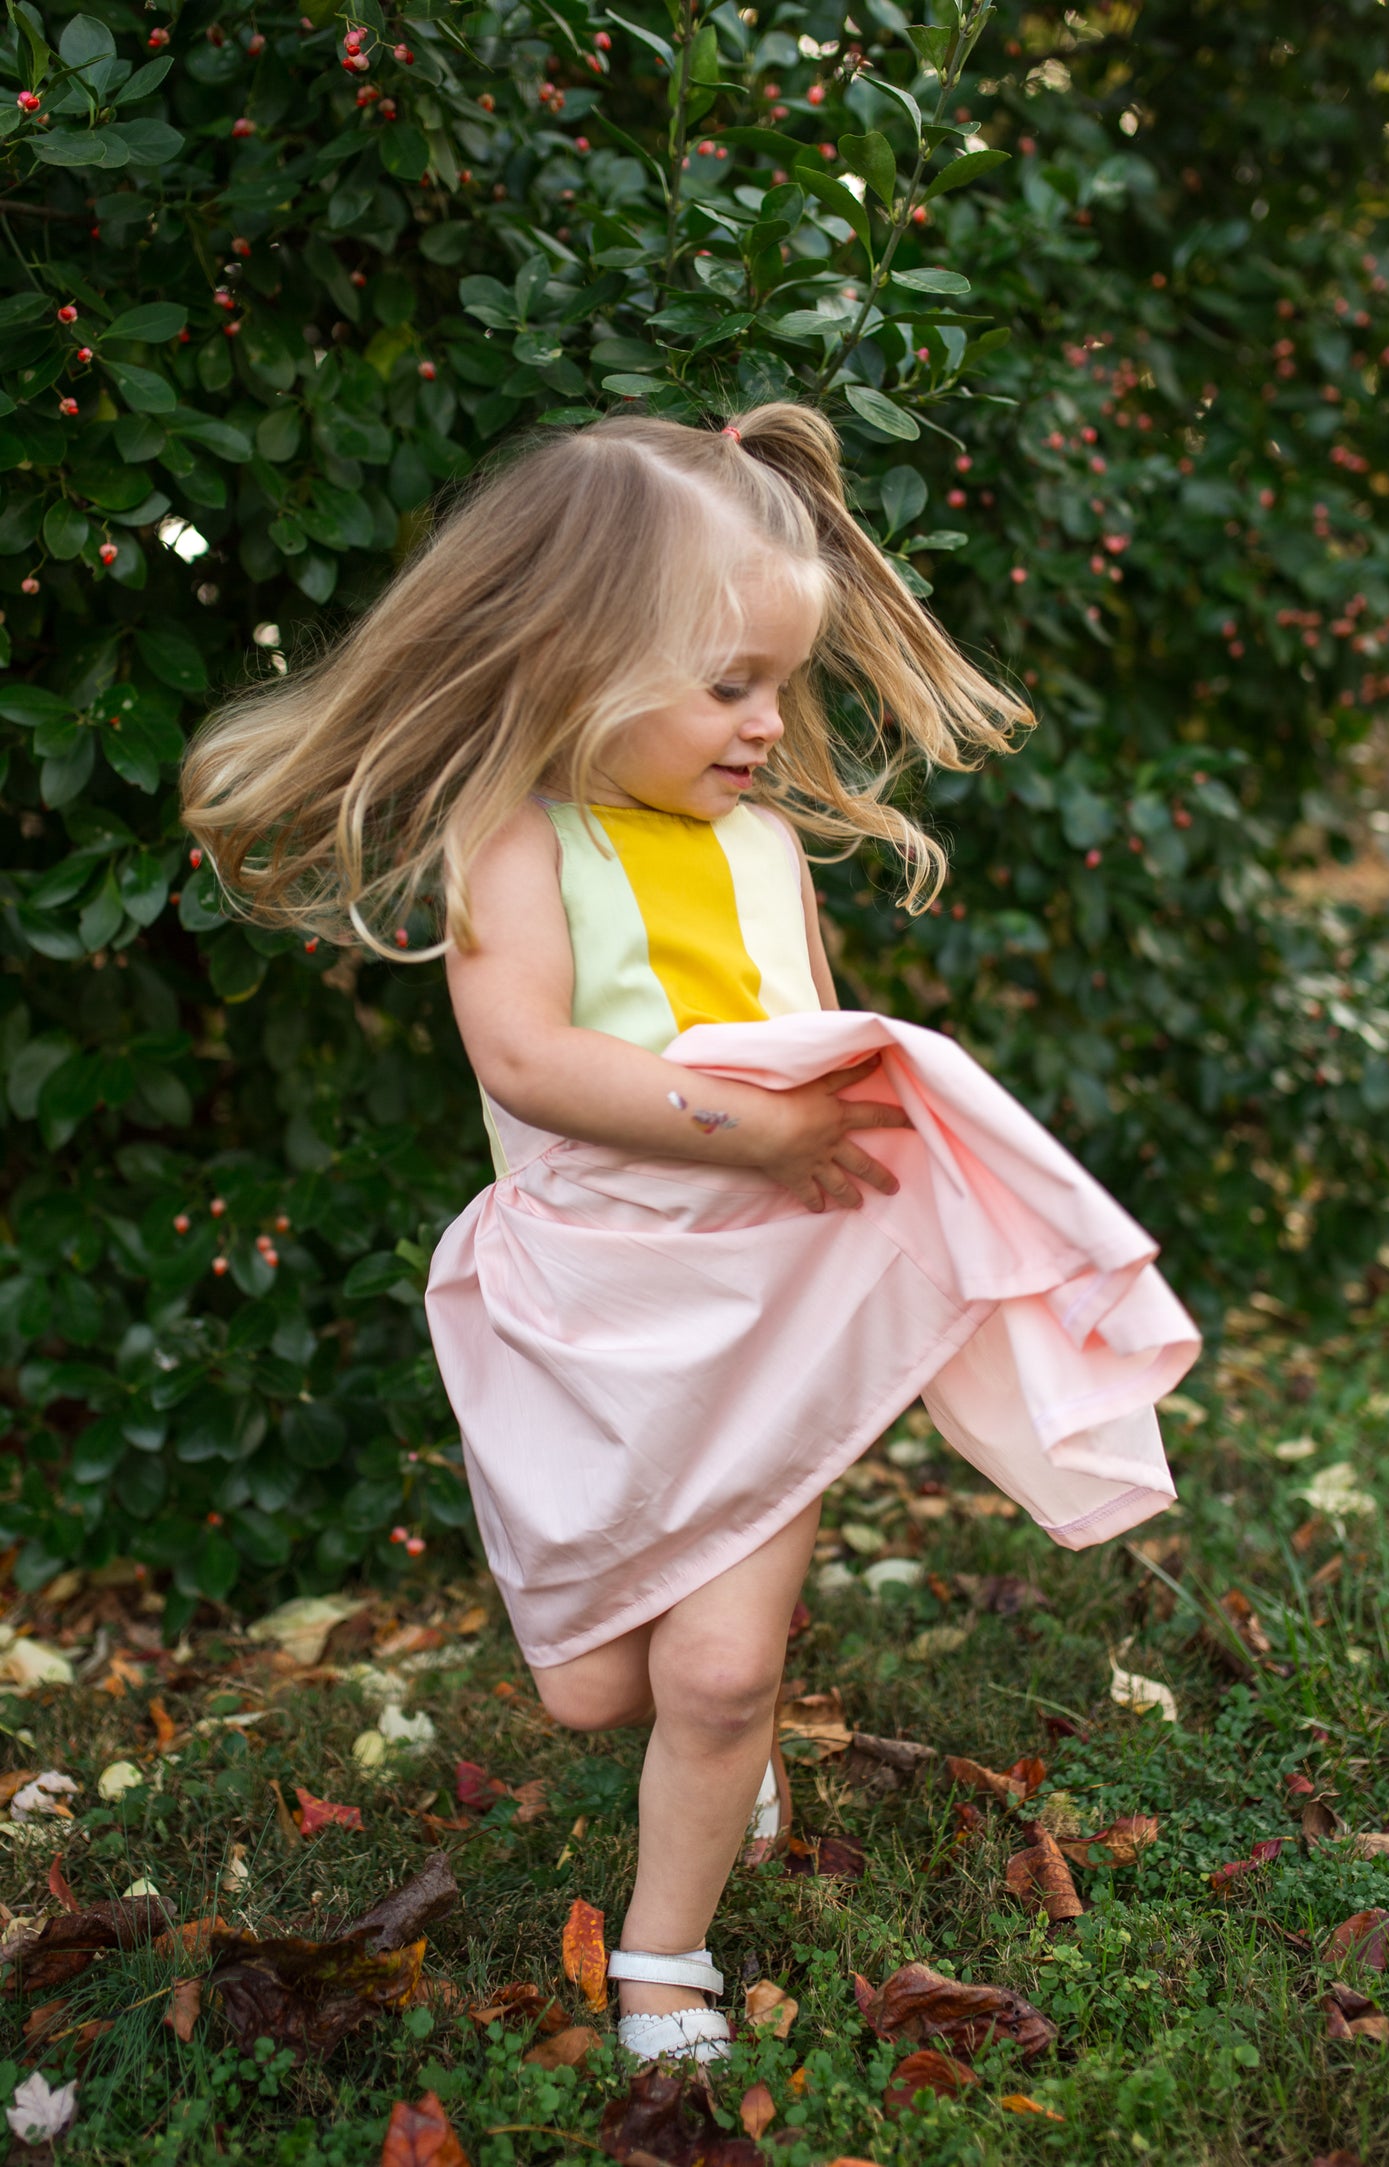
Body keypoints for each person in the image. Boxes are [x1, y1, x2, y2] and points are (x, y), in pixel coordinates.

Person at [181, 401, 1199, 2068]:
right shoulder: (513, 840)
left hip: (761, 1309)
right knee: (599, 1689)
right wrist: (768, 1125)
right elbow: (529, 1058)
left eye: (780, 684)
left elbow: (788, 1026)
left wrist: (854, 1116)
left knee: (719, 1674)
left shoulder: (763, 843)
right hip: (584, 1310)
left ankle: (666, 1954)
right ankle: (714, 1753)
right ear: (577, 657)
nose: (766, 724)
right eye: (728, 684)